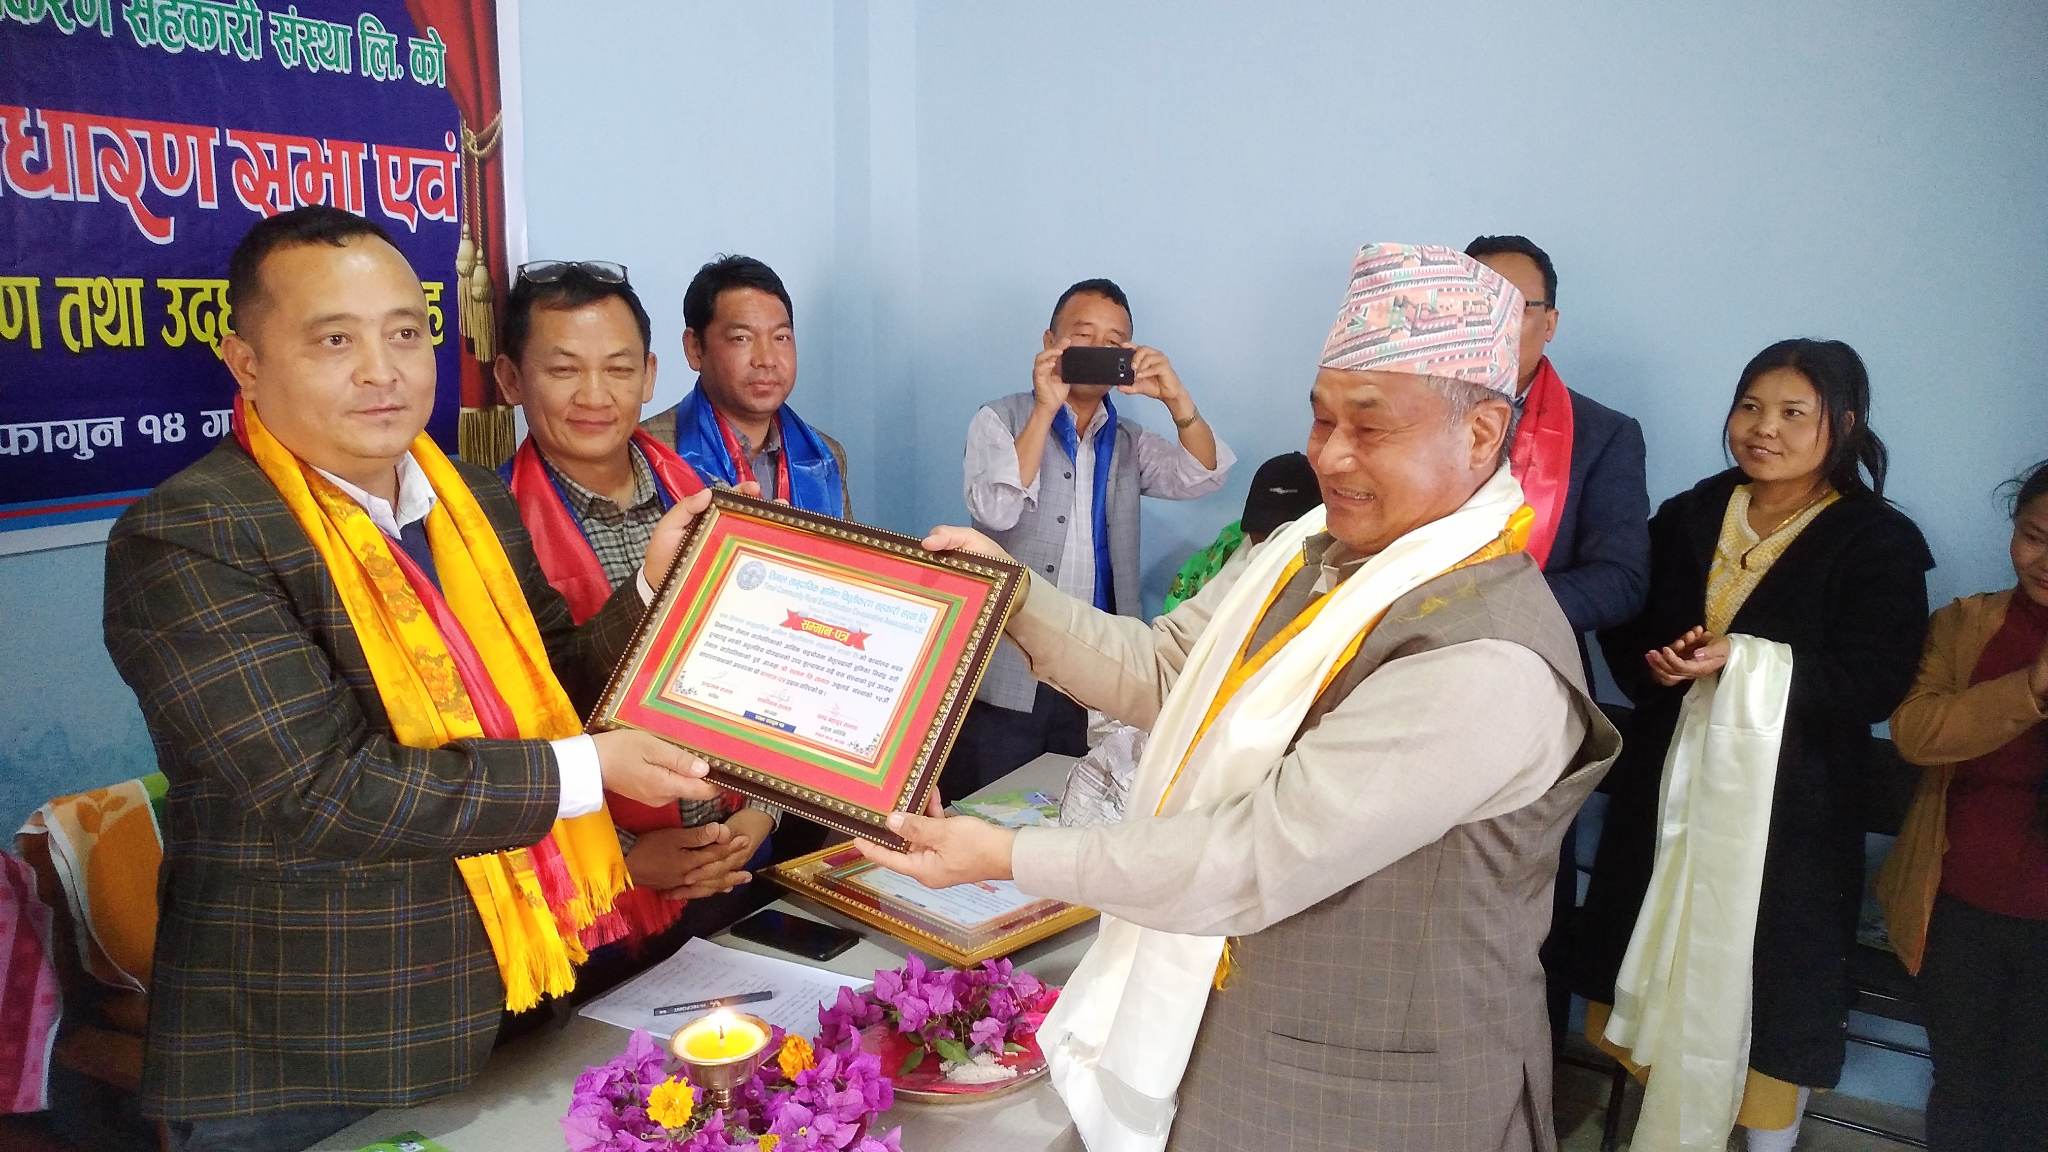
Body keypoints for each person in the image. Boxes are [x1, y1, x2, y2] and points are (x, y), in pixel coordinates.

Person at [860, 243, 1619, 1152]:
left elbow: (1254, 855)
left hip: (1378, 1103)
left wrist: (1005, 855)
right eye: (1321, 417)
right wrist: (1011, 593)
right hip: (1230, 1055)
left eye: (1370, 427)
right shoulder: (1306, 552)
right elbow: (1166, 668)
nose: (1330, 455)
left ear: (1483, 435)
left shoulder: (1485, 655)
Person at [102, 207, 723, 1151]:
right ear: (246, 363)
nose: (381, 371)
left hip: (525, 982)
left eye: (403, 333)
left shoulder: (466, 498)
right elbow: (323, 791)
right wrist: (591, 770)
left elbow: (557, 679)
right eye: (335, 341)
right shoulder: (194, 534)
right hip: (320, 1047)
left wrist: (654, 585)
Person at [1572, 339, 1933, 1152]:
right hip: (1666, 789)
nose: (1764, 428)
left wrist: (1745, 660)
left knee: (1766, 994)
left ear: (1844, 424)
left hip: (1789, 819)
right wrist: (1659, 665)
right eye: (1750, 406)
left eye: (1793, 413)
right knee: (1647, 963)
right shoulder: (1692, 513)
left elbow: (1876, 678)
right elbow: (1632, 618)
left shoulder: (1875, 541)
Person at [494, 260, 773, 974]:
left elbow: (767, 672)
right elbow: (499, 737)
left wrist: (761, 812)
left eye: (618, 368)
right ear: (511, 380)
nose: (595, 395)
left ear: (649, 376)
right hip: (595, 899)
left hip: (735, 858)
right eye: (563, 369)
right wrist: (626, 857)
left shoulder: (706, 499)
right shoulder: (486, 539)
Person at [1466, 233, 1652, 1045]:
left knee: (1524, 916)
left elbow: (1621, 579)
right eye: (1477, 303)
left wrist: (1482, 605)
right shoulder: (1408, 414)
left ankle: (1522, 1095)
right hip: (1407, 684)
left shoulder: (1604, 434)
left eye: (1517, 308)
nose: (1495, 322)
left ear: (1550, 323)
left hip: (1534, 705)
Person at [949, 278, 1235, 793]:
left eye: (1114, 342)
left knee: (1070, 801)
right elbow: (995, 510)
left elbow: (1202, 475)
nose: (1098, 350)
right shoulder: (999, 419)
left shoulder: (1126, 440)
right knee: (988, 796)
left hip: (1094, 666)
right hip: (1008, 662)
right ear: (1049, 342)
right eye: (1083, 336)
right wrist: (1045, 408)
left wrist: (1176, 398)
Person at [1878, 458, 2048, 1152]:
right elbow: (1915, 733)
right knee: (1962, 1081)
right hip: (1960, 903)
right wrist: (2031, 690)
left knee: (2034, 1096)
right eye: (2034, 536)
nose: (2045, 561)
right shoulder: (1966, 624)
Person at [641, 254, 852, 518]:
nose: (766, 359)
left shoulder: (825, 456)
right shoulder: (647, 453)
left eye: (781, 337)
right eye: (742, 338)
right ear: (694, 348)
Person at [1162, 450, 1319, 612]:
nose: (1266, 545)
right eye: (1261, 532)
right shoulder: (1218, 559)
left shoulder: (1324, 580)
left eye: (1282, 536)